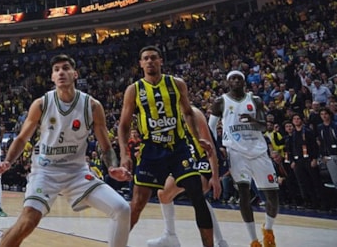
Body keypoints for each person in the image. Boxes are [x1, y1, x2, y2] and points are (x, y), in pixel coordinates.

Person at [0, 54, 131, 247]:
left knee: (122, 208)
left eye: (66, 68)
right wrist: (8, 161)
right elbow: (22, 138)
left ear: (75, 74)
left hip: (77, 172)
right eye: (56, 69)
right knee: (28, 221)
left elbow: (106, 146)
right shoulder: (41, 104)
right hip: (45, 171)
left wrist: (112, 167)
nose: (61, 72)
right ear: (52, 77)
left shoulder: (92, 106)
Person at [117, 46, 214, 247]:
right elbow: (124, 125)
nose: (150, 61)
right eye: (146, 58)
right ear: (140, 64)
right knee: (137, 203)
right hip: (151, 150)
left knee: (197, 195)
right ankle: (117, 244)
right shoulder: (134, 90)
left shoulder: (176, 84)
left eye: (153, 57)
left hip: (178, 148)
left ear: (161, 60)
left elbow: (188, 113)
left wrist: (198, 138)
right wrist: (124, 154)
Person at [208, 70, 280, 247]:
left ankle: (268, 230)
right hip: (236, 152)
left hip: (259, 152)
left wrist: (252, 120)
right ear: (227, 82)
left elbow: (264, 127)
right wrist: (216, 149)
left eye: (239, 78)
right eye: (232, 78)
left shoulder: (255, 100)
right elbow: (210, 128)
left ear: (244, 81)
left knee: (273, 197)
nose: (236, 81)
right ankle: (253, 240)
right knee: (244, 194)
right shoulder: (220, 102)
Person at [147, 106, 227, 247]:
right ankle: (170, 236)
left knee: (196, 190)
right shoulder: (167, 116)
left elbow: (210, 147)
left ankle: (220, 241)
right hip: (186, 159)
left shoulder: (194, 114)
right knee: (163, 193)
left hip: (205, 159)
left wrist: (215, 177)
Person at [316, 107, 337, 187]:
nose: (324, 116)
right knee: (335, 180)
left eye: (325, 114)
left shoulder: (335, 125)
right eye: (322, 114)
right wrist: (323, 156)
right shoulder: (319, 127)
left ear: (329, 115)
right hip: (328, 156)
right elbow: (320, 143)